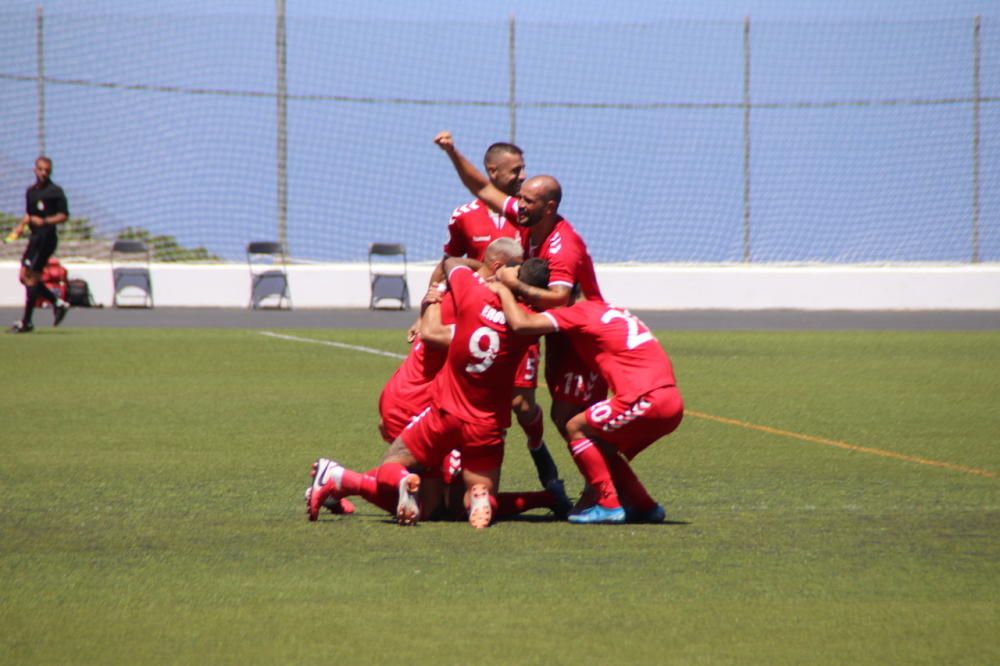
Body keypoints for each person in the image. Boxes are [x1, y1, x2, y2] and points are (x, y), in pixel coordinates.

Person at [308, 255, 556, 529]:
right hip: (442, 409)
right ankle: (340, 478)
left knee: (438, 501)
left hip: (443, 408)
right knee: (437, 504)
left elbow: (449, 265)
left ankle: (341, 479)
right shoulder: (532, 325)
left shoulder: (471, 294)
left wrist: (434, 295)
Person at [434, 132, 609, 454]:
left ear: (548, 208)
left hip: (580, 334)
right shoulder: (529, 220)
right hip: (553, 328)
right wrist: (452, 152)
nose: (519, 203)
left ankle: (612, 494)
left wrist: (510, 285)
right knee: (564, 416)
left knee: (571, 418)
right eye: (522, 197)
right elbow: (482, 189)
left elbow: (558, 296)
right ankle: (607, 494)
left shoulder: (562, 245)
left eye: (528, 200)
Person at [491, 269, 684, 524]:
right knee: (600, 443)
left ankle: (608, 505)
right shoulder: (606, 308)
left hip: (646, 398)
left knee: (575, 427)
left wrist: (505, 289)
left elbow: (522, 324)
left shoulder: (579, 313)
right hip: (667, 397)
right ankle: (644, 505)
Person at [439, 140, 559, 490]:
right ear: (494, 172)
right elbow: (447, 263)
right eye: (516, 170)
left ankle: (537, 447)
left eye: (524, 169)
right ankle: (475, 478)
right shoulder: (464, 216)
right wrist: (429, 307)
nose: (523, 176)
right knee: (477, 401)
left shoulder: (525, 216)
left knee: (521, 404)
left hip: (518, 321)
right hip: (477, 324)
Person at [6, 157, 71, 333]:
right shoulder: (31, 192)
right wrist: (19, 228)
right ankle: (57, 303)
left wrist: (45, 221)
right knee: (24, 276)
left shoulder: (55, 191)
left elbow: (64, 215)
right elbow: (29, 214)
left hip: (47, 239)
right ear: (35, 170)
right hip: (34, 239)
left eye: (47, 171)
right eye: (41, 169)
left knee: (31, 278)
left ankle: (27, 321)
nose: (43, 173)